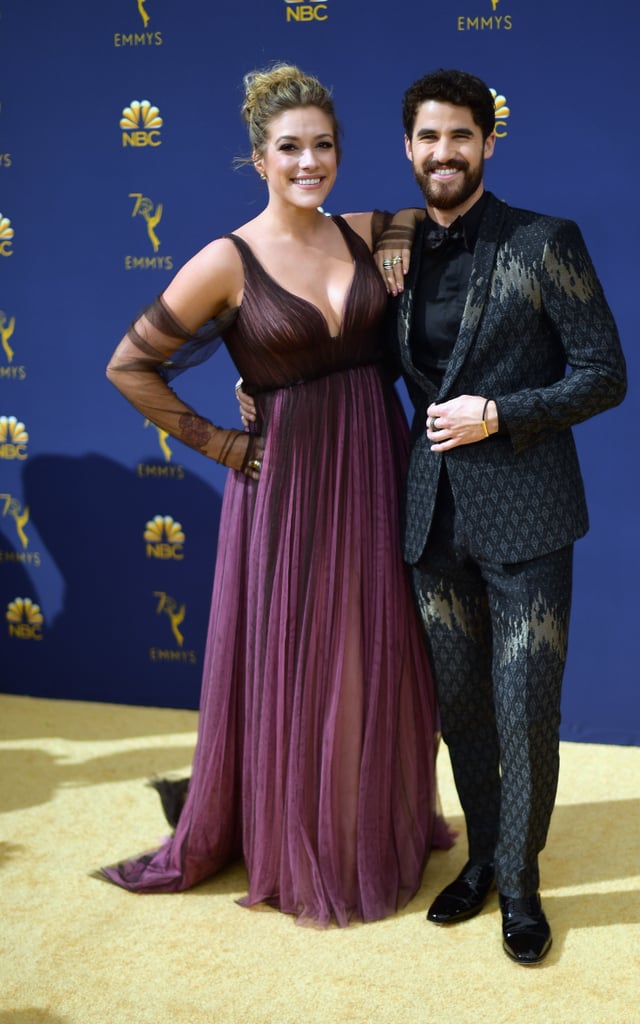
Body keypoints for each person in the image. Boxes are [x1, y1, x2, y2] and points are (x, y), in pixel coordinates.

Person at [241, 67, 627, 962]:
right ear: (407, 148)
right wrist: (260, 381)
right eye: (426, 138)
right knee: (461, 711)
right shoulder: (390, 254)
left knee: (525, 708)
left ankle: (523, 889)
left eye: (460, 136)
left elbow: (603, 373)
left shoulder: (544, 240)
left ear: (489, 142)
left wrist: (503, 411)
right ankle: (484, 859)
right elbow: (341, 350)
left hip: (528, 518)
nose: (442, 153)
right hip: (428, 523)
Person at [99, 63, 451, 927]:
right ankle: (310, 842)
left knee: (372, 648)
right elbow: (129, 365)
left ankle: (366, 823)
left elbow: (432, 214)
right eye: (289, 148)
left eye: (323, 145)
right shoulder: (226, 258)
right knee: (306, 655)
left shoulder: (365, 230)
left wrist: (403, 229)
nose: (309, 162)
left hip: (375, 463)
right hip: (289, 485)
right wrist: (222, 442)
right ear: (257, 158)